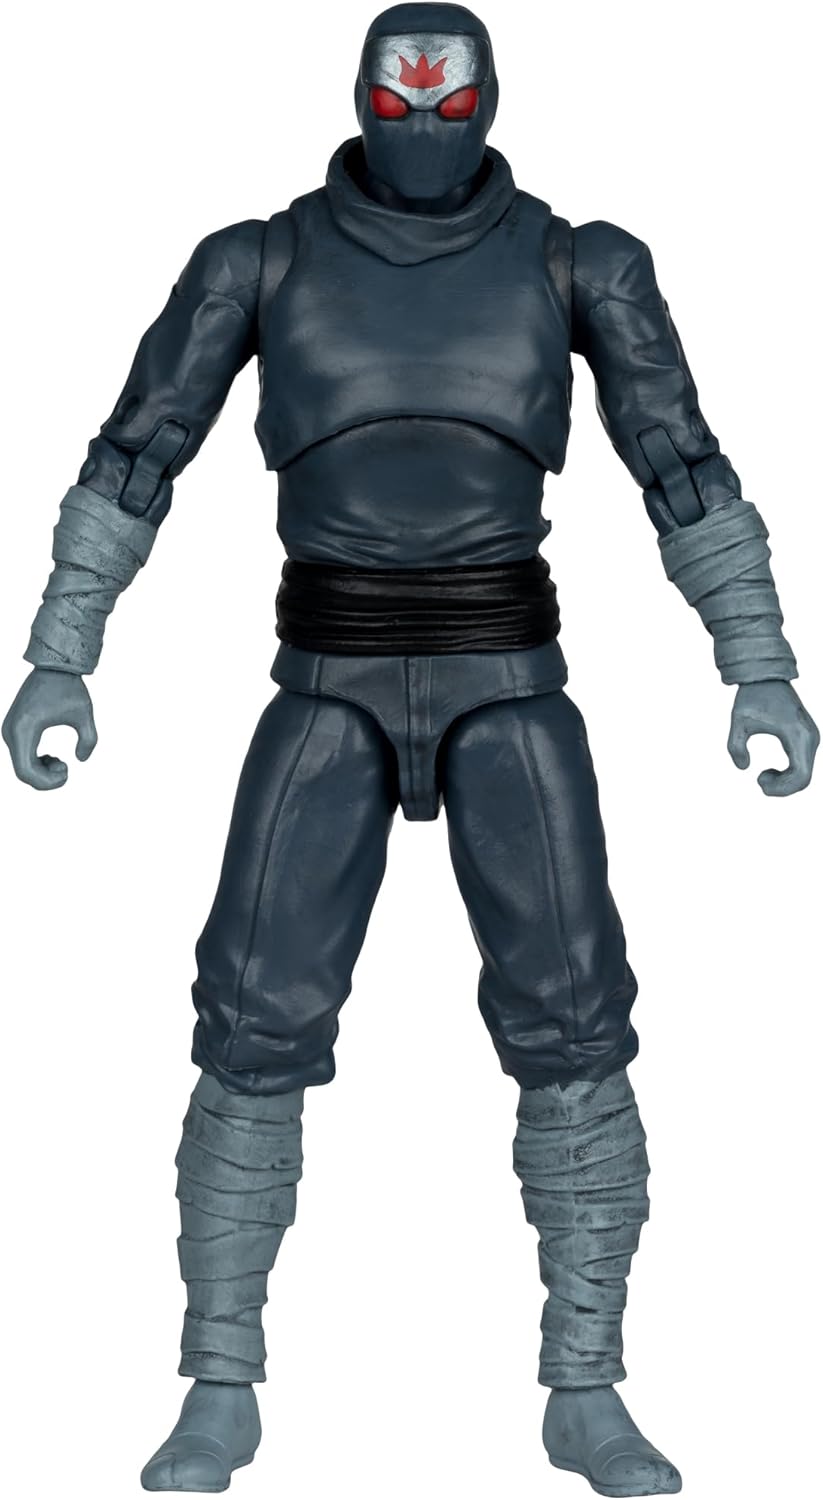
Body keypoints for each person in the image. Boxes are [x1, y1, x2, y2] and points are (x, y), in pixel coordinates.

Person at [3, 4, 817, 1495]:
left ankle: (587, 1387)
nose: (425, 124)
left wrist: (757, 666)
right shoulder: (258, 261)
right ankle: (220, 1382)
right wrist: (63, 652)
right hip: (327, 680)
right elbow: (137, 453)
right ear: (360, 98)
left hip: (511, 680)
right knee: (251, 1021)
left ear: (490, 101)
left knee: (576, 1027)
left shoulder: (582, 263)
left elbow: (683, 466)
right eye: (400, 100)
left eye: (449, 101)